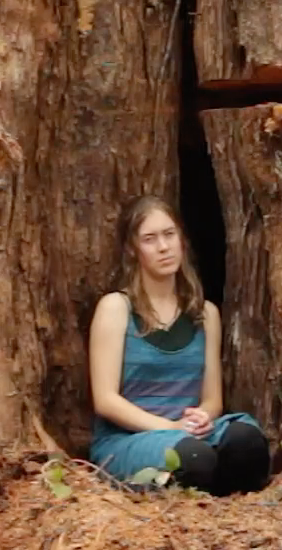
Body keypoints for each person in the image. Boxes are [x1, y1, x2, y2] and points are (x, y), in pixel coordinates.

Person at [88, 195, 271, 495]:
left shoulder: (205, 314)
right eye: (150, 239)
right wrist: (167, 427)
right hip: (129, 440)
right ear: (133, 250)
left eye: (169, 234)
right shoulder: (116, 308)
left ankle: (214, 493)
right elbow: (105, 400)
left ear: (182, 240)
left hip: (187, 434)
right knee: (193, 458)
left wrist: (203, 416)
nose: (163, 247)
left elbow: (212, 399)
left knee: (246, 442)